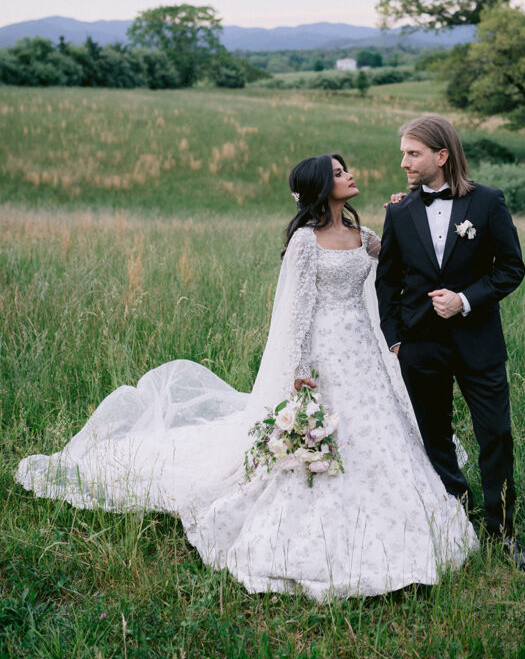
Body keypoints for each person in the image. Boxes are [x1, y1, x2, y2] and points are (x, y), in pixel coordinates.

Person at [15, 153, 477, 601]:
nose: (350, 175)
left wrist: (405, 209)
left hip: (362, 349)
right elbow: (296, 311)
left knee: (378, 426)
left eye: (346, 169)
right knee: (329, 430)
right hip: (323, 350)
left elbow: (398, 256)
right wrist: (298, 369)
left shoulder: (362, 233)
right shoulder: (304, 243)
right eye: (339, 173)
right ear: (322, 187)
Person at [376, 115, 525, 572]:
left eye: (413, 153)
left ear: (441, 156)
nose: (403, 161)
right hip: (419, 346)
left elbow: (510, 269)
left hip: (478, 343)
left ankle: (503, 533)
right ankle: (457, 516)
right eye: (404, 153)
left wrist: (466, 299)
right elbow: (386, 282)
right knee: (435, 438)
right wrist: (395, 341)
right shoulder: (399, 211)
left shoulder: (487, 203)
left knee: (496, 435)